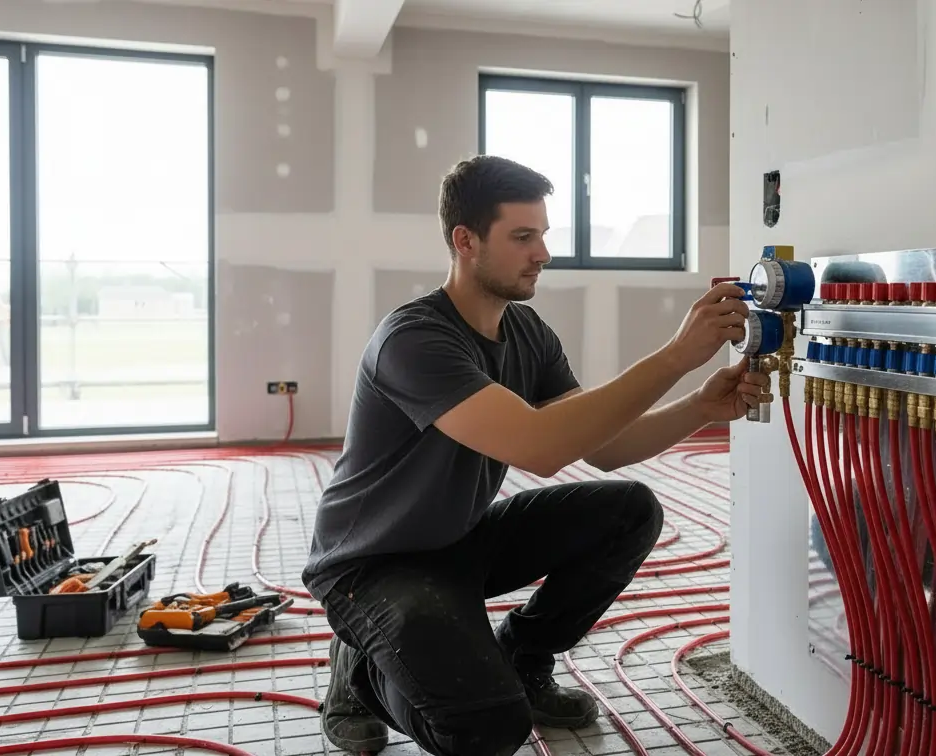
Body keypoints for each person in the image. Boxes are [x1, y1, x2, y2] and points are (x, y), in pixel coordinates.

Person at [301, 154, 764, 756]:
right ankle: (362, 673)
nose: (542, 253)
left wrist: (700, 407)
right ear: (465, 241)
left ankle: (522, 655)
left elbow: (604, 449)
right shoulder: (414, 340)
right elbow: (540, 447)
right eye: (522, 237)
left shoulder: (528, 333)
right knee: (489, 729)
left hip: (458, 540)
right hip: (374, 564)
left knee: (630, 510)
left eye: (543, 235)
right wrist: (676, 355)